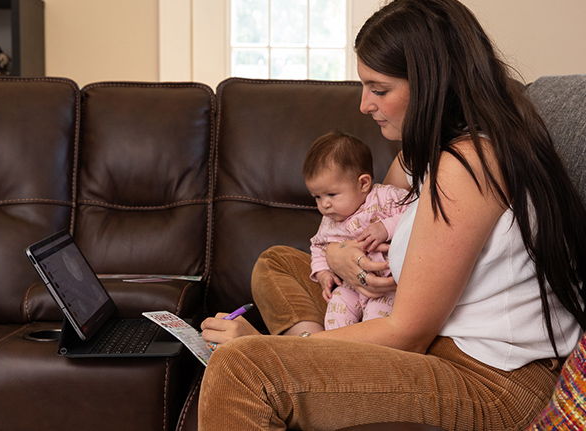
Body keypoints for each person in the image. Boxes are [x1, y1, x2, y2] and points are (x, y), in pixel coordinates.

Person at [197, 0, 586, 429]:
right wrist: (345, 255)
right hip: (440, 344)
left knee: (242, 368)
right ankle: (315, 355)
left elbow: (407, 332)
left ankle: (306, 353)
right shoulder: (439, 152)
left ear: (431, 85)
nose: (363, 105)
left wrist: (284, 351)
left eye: (379, 89)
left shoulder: (468, 164)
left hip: (490, 382)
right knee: (279, 262)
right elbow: (376, 210)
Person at [303, 131, 408, 329]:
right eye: (317, 197)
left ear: (363, 184)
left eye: (331, 194)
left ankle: (361, 353)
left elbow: (417, 213)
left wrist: (386, 227)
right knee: (336, 309)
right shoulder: (329, 220)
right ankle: (331, 348)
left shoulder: (384, 198)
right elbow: (317, 247)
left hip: (387, 288)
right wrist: (323, 273)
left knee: (376, 323)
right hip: (350, 285)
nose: (324, 205)